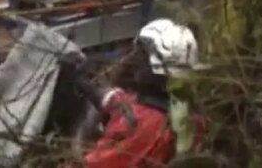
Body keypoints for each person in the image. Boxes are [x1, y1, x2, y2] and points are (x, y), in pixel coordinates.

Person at [68, 18, 208, 167]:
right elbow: (122, 102)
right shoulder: (191, 115)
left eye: (143, 54)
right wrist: (90, 89)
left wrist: (78, 138)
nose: (134, 59)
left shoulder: (141, 125)